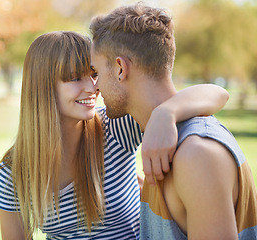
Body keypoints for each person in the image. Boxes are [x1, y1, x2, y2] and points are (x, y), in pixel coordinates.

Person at [0, 31, 229, 240]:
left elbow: (216, 93)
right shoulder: (14, 173)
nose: (93, 87)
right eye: (75, 77)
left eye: (93, 74)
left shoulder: (114, 127)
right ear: (42, 87)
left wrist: (166, 113)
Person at [89, 2, 257, 239]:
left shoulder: (195, 155)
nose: (95, 87)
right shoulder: (162, 140)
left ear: (120, 69)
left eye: (96, 72)